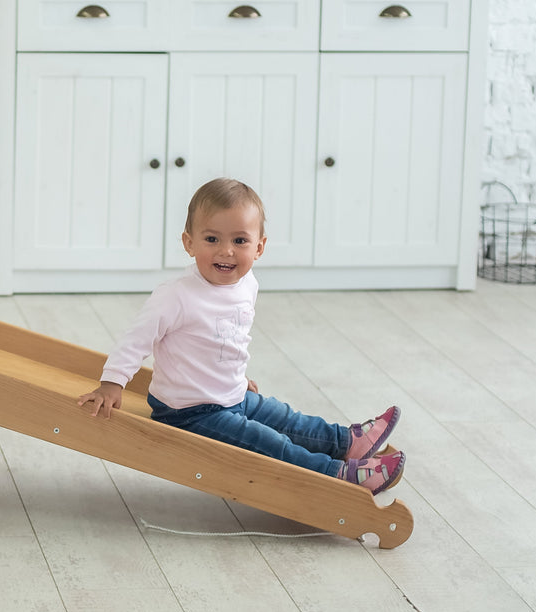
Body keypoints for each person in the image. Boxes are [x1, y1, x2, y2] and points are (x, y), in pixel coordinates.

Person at [77, 178, 405, 494]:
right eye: (211, 239)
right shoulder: (176, 297)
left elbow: (227, 339)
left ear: (259, 247)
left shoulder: (247, 285)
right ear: (188, 242)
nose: (226, 252)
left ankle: (346, 443)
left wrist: (235, 375)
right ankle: (335, 475)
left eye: (239, 241)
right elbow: (136, 340)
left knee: (286, 418)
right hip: (189, 411)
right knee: (269, 443)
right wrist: (112, 383)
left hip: (231, 393)